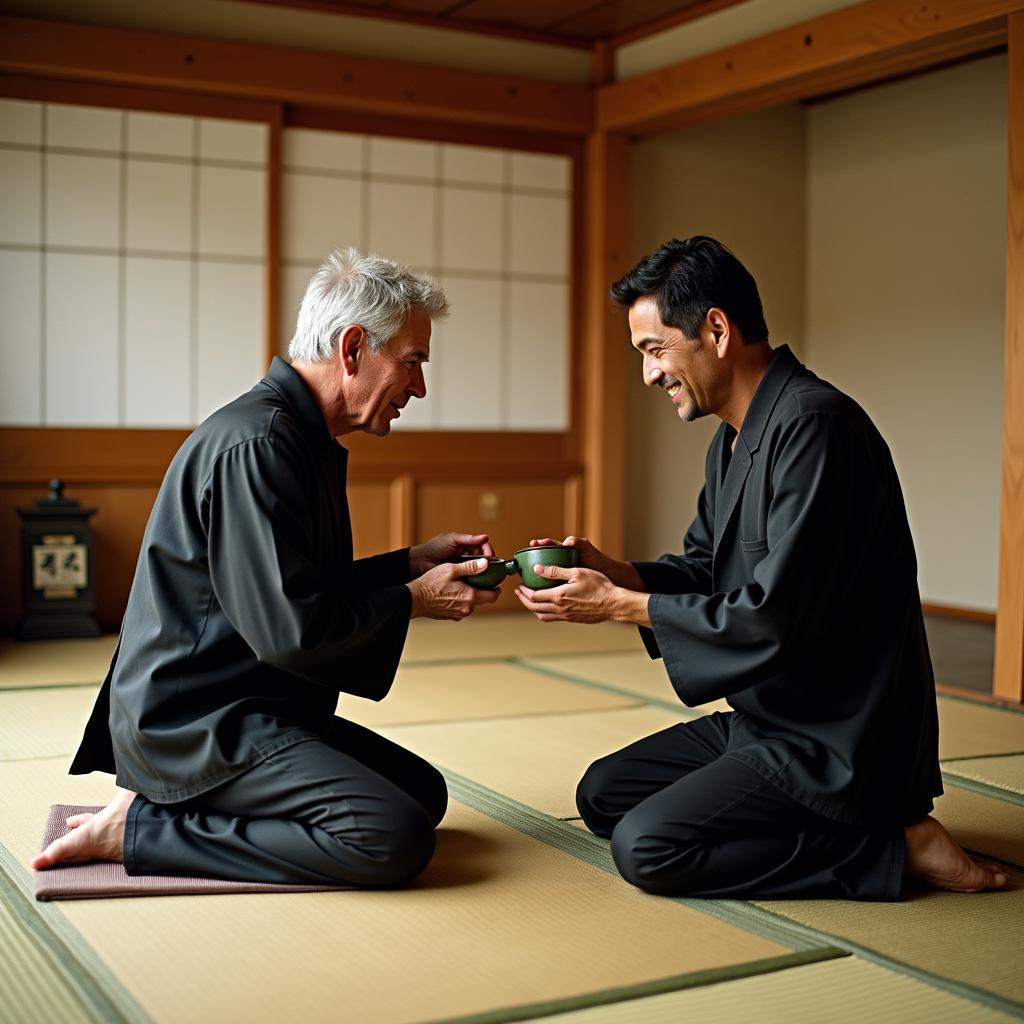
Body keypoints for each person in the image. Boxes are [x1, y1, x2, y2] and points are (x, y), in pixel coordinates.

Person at [516, 236, 1007, 900]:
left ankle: (893, 845)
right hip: (766, 720)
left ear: (715, 329)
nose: (649, 374)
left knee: (649, 848)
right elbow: (703, 570)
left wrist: (618, 605)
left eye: (654, 350)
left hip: (837, 739)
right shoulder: (735, 437)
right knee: (604, 795)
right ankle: (873, 836)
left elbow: (777, 614)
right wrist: (617, 574)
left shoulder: (816, 426)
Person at [33, 248, 500, 887]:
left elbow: (301, 589)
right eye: (413, 361)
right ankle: (141, 829)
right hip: (196, 721)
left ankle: (170, 808)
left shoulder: (296, 435)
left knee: (423, 793)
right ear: (354, 346)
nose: (419, 386)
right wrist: (414, 598)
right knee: (391, 837)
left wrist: (407, 565)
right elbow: (292, 628)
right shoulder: (256, 445)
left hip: (254, 702)